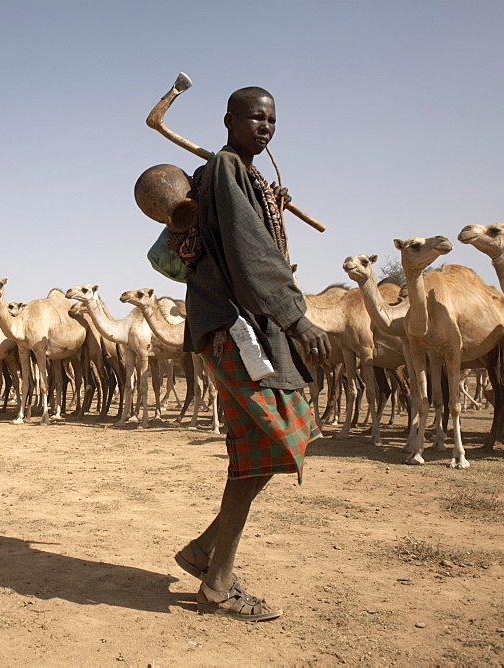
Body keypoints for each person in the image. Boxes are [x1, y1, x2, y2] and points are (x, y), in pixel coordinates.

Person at [175, 86, 331, 621]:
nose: (264, 128)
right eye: (255, 118)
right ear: (229, 120)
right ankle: (217, 582)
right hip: (234, 325)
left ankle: (205, 553)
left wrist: (269, 202)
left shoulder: (241, 176)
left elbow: (253, 238)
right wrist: (296, 315)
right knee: (271, 438)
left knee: (272, 443)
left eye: (271, 120)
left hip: (249, 326)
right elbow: (250, 250)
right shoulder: (223, 168)